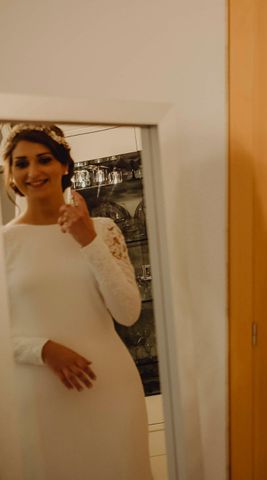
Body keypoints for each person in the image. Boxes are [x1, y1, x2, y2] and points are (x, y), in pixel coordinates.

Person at [1, 124, 153, 479]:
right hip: (39, 396)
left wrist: (88, 241)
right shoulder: (6, 243)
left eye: (44, 160)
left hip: (110, 389)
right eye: (21, 164)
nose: (33, 172)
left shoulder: (103, 230)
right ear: (10, 174)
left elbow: (128, 313)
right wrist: (43, 349)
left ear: (65, 166)